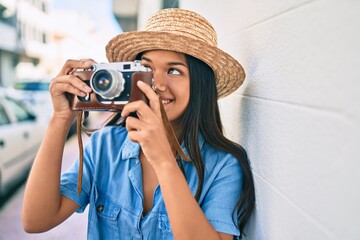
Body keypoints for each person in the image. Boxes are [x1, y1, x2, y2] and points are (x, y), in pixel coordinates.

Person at [22, 8, 255, 240]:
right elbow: (36, 220)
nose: (158, 84)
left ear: (200, 86)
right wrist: (60, 121)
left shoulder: (224, 166)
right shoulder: (105, 145)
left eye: (174, 70)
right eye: (146, 69)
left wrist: (163, 160)